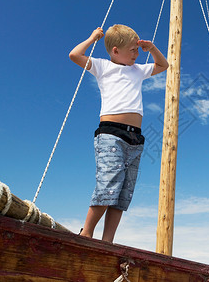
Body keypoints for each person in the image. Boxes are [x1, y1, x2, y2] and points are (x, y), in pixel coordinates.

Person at [69, 24, 168, 242]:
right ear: (116, 50)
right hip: (111, 134)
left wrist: (151, 48)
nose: (136, 53)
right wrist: (93, 37)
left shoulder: (138, 70)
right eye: (132, 49)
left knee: (123, 192)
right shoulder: (102, 66)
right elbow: (74, 54)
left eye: (136, 49)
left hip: (135, 138)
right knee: (108, 184)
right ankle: (86, 232)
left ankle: (108, 241)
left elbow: (164, 65)